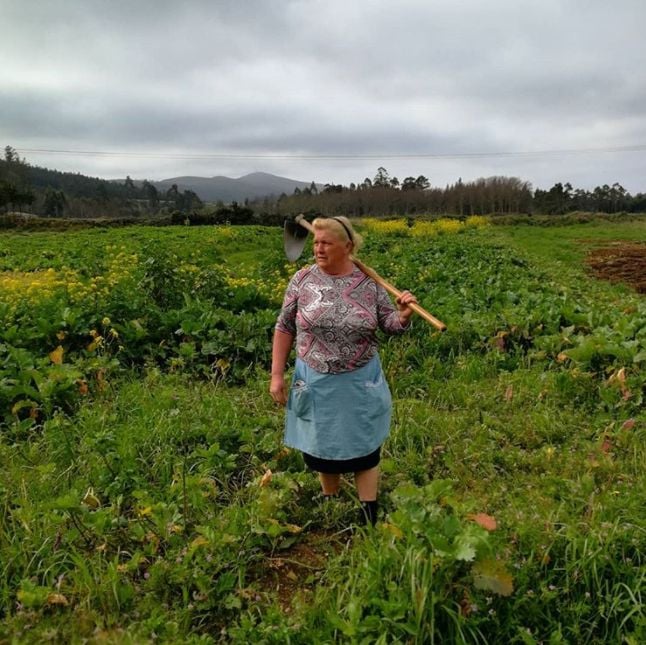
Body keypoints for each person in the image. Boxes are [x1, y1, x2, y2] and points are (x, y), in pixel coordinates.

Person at [270, 216, 417, 526]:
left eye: (326, 243)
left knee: (364, 445)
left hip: (359, 378)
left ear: (347, 247)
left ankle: (368, 513)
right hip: (315, 377)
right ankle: (330, 499)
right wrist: (276, 375)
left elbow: (389, 325)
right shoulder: (302, 279)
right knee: (321, 444)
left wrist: (403, 316)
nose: (318, 249)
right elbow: (284, 326)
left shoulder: (370, 284)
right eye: (316, 242)